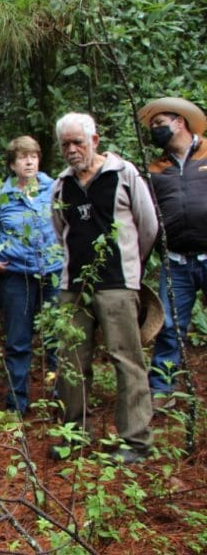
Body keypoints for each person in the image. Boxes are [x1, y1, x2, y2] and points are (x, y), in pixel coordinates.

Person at [50, 112, 158, 463]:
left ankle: (135, 441)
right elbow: (60, 231)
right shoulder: (61, 184)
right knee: (71, 362)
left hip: (117, 284)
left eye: (77, 142)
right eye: (65, 144)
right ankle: (75, 435)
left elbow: (148, 227)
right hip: (74, 286)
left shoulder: (124, 174)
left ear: (94, 141)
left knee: (126, 359)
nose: (71, 150)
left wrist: (129, 267)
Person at [138, 97, 207, 408]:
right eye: (152, 125)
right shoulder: (156, 168)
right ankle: (162, 390)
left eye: (159, 123)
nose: (155, 129)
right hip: (176, 261)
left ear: (180, 122)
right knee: (168, 326)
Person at [0, 136, 63, 414]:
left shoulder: (55, 188)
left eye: (33, 156)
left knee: (57, 339)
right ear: (12, 164)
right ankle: (16, 405)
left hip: (53, 273)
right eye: (22, 157)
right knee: (17, 341)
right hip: (16, 276)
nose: (29, 162)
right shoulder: (1, 195)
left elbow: (67, 226)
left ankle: (61, 401)